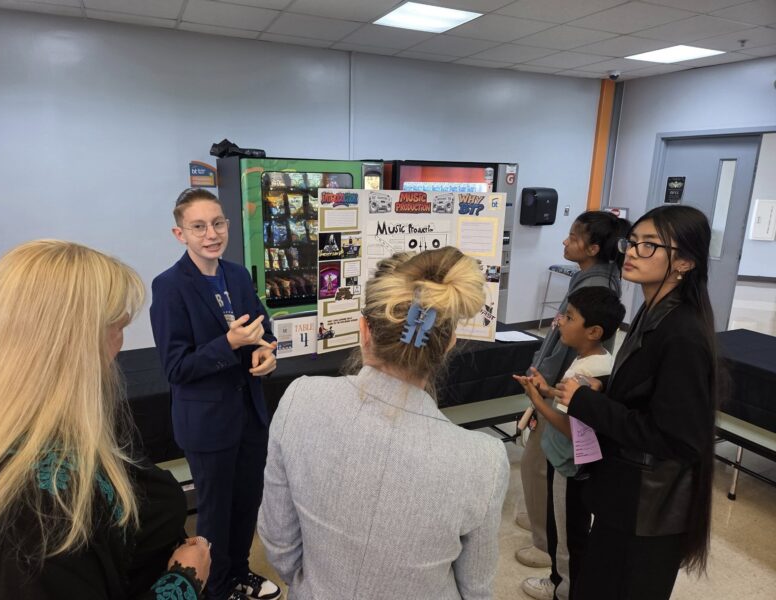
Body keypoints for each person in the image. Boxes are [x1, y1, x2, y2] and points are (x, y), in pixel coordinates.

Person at [258, 247, 509, 600]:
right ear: (450, 343)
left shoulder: (300, 399)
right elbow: (476, 590)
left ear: (363, 329)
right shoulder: (485, 460)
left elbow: (279, 544)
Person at [0, 240, 211, 598]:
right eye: (116, 327)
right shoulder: (37, 511)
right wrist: (185, 580)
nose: (119, 344)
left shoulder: (60, 426)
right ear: (72, 344)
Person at [554, 205, 718, 599]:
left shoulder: (683, 333)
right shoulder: (654, 309)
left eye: (650, 245)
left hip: (649, 510)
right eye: (634, 241)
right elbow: (649, 393)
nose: (631, 251)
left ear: (685, 262)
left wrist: (587, 403)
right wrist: (603, 389)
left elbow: (675, 437)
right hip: (626, 498)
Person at [150, 189, 281, 600]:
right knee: (215, 511)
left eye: (218, 223)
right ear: (180, 233)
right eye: (199, 226)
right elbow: (176, 368)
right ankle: (216, 587)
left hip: (249, 414)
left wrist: (265, 349)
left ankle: (238, 574)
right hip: (207, 423)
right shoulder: (170, 286)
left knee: (246, 503)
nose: (212, 233)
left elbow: (263, 328)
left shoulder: (238, 275)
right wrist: (227, 343)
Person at [517, 211, 630, 578]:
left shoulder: (593, 287)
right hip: (556, 384)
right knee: (539, 463)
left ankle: (544, 544)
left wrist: (541, 389)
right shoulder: (595, 277)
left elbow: (565, 344)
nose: (565, 242)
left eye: (573, 237)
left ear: (594, 247)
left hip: (560, 389)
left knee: (539, 462)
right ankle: (541, 527)